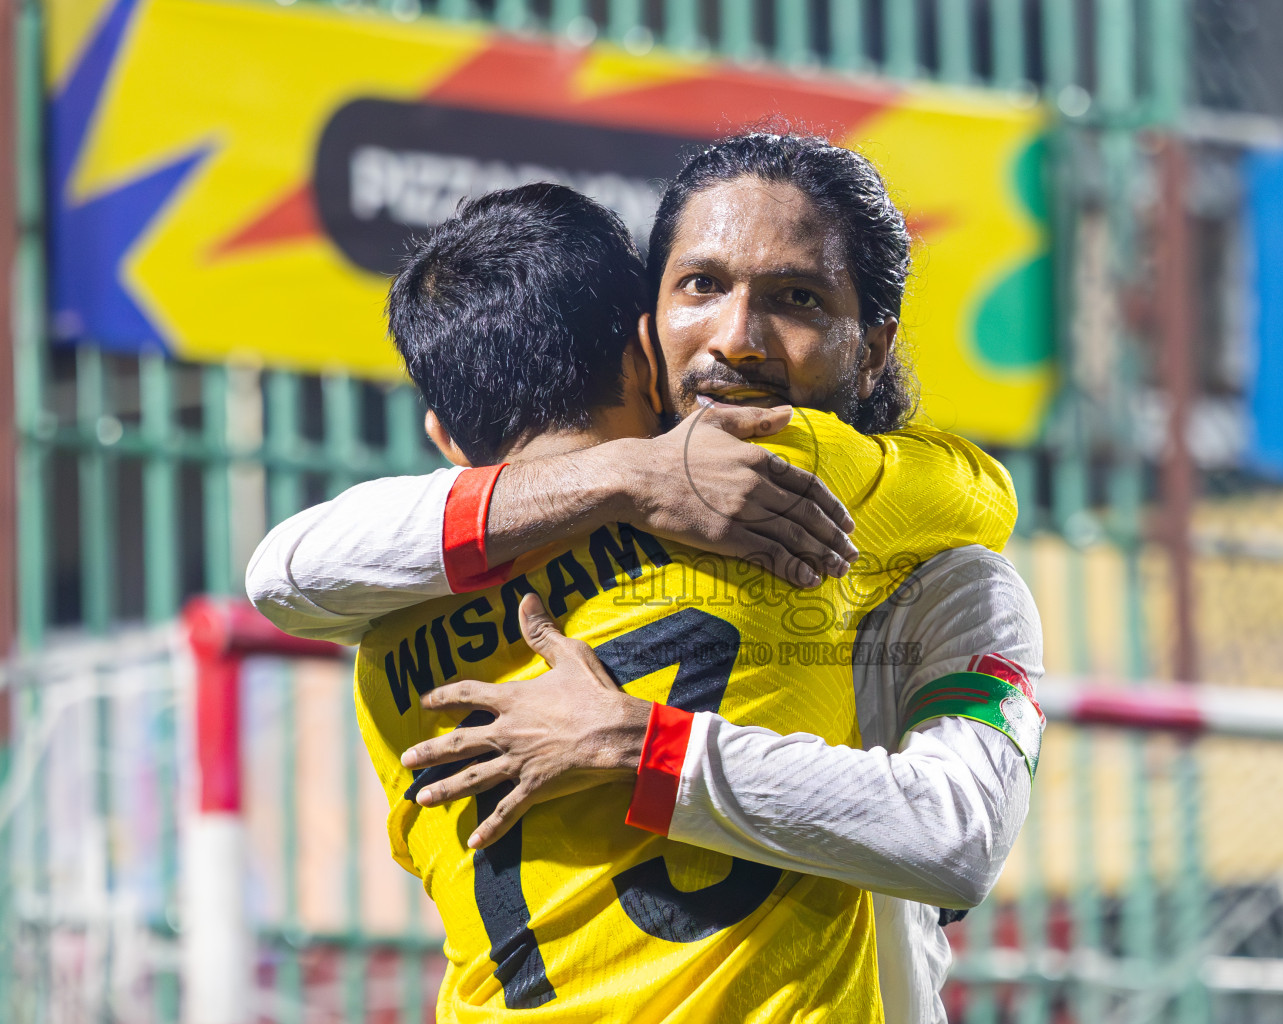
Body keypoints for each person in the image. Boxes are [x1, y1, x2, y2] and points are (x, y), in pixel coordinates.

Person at [247, 132, 1045, 1023]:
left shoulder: (393, 604)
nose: (736, 340)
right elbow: (282, 568)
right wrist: (631, 473)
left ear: (870, 348)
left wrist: (639, 745)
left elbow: (957, 836)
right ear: (644, 331)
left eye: (796, 298)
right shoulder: (455, 533)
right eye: (700, 286)